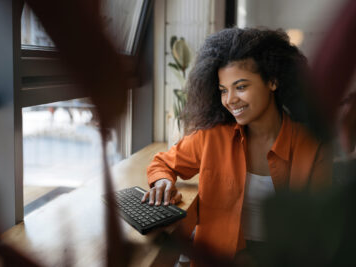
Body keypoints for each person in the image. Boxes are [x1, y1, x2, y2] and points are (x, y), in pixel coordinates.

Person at [141, 28, 332, 261]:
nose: (230, 100)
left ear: (272, 81)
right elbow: (163, 163)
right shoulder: (211, 138)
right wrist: (162, 181)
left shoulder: (312, 146)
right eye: (223, 90)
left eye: (241, 87)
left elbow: (321, 230)